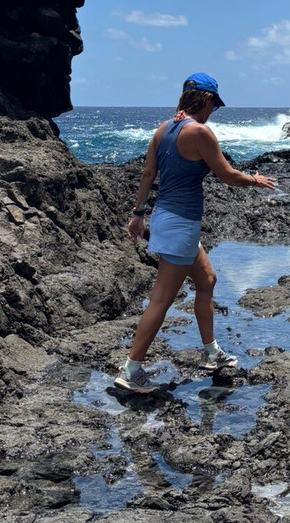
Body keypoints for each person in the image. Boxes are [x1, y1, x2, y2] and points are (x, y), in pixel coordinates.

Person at [117, 72, 276, 393]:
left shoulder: (164, 128)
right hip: (180, 224)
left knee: (207, 280)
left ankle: (211, 352)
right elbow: (227, 175)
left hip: (166, 218)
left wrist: (137, 214)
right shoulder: (200, 133)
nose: (213, 111)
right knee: (161, 299)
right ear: (204, 100)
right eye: (213, 104)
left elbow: (148, 173)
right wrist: (255, 181)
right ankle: (131, 369)